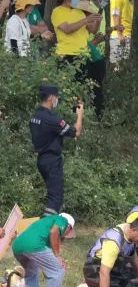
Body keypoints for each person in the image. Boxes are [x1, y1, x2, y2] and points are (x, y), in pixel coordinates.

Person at [30, 84, 84, 216]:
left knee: (52, 195)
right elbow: (76, 132)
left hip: (41, 160)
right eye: (56, 97)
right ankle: (46, 229)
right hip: (52, 160)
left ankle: (47, 225)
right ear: (51, 98)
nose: (57, 100)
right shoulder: (53, 120)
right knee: (55, 199)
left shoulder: (34, 117)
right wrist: (80, 115)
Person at [13, 213, 75, 287]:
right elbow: (54, 232)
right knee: (58, 270)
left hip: (17, 246)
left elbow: (46, 257)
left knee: (32, 272)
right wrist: (58, 255)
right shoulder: (62, 220)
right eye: (69, 231)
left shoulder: (45, 222)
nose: (65, 234)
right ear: (69, 226)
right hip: (33, 245)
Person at [109, 0, 135, 66]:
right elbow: (115, 14)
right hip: (119, 36)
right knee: (118, 66)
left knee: (125, 66)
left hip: (126, 35)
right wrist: (120, 34)